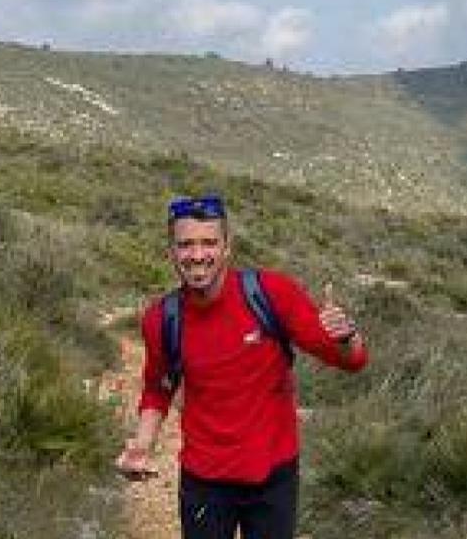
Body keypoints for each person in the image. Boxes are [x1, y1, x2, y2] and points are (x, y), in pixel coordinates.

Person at [115, 193, 368, 539]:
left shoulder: (272, 294)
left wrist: (346, 337)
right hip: (204, 479)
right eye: (186, 245)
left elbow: (351, 361)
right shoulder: (162, 319)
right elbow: (158, 388)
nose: (198, 255)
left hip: (273, 477)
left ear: (227, 247)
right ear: (171, 251)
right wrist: (142, 444)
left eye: (209, 243)